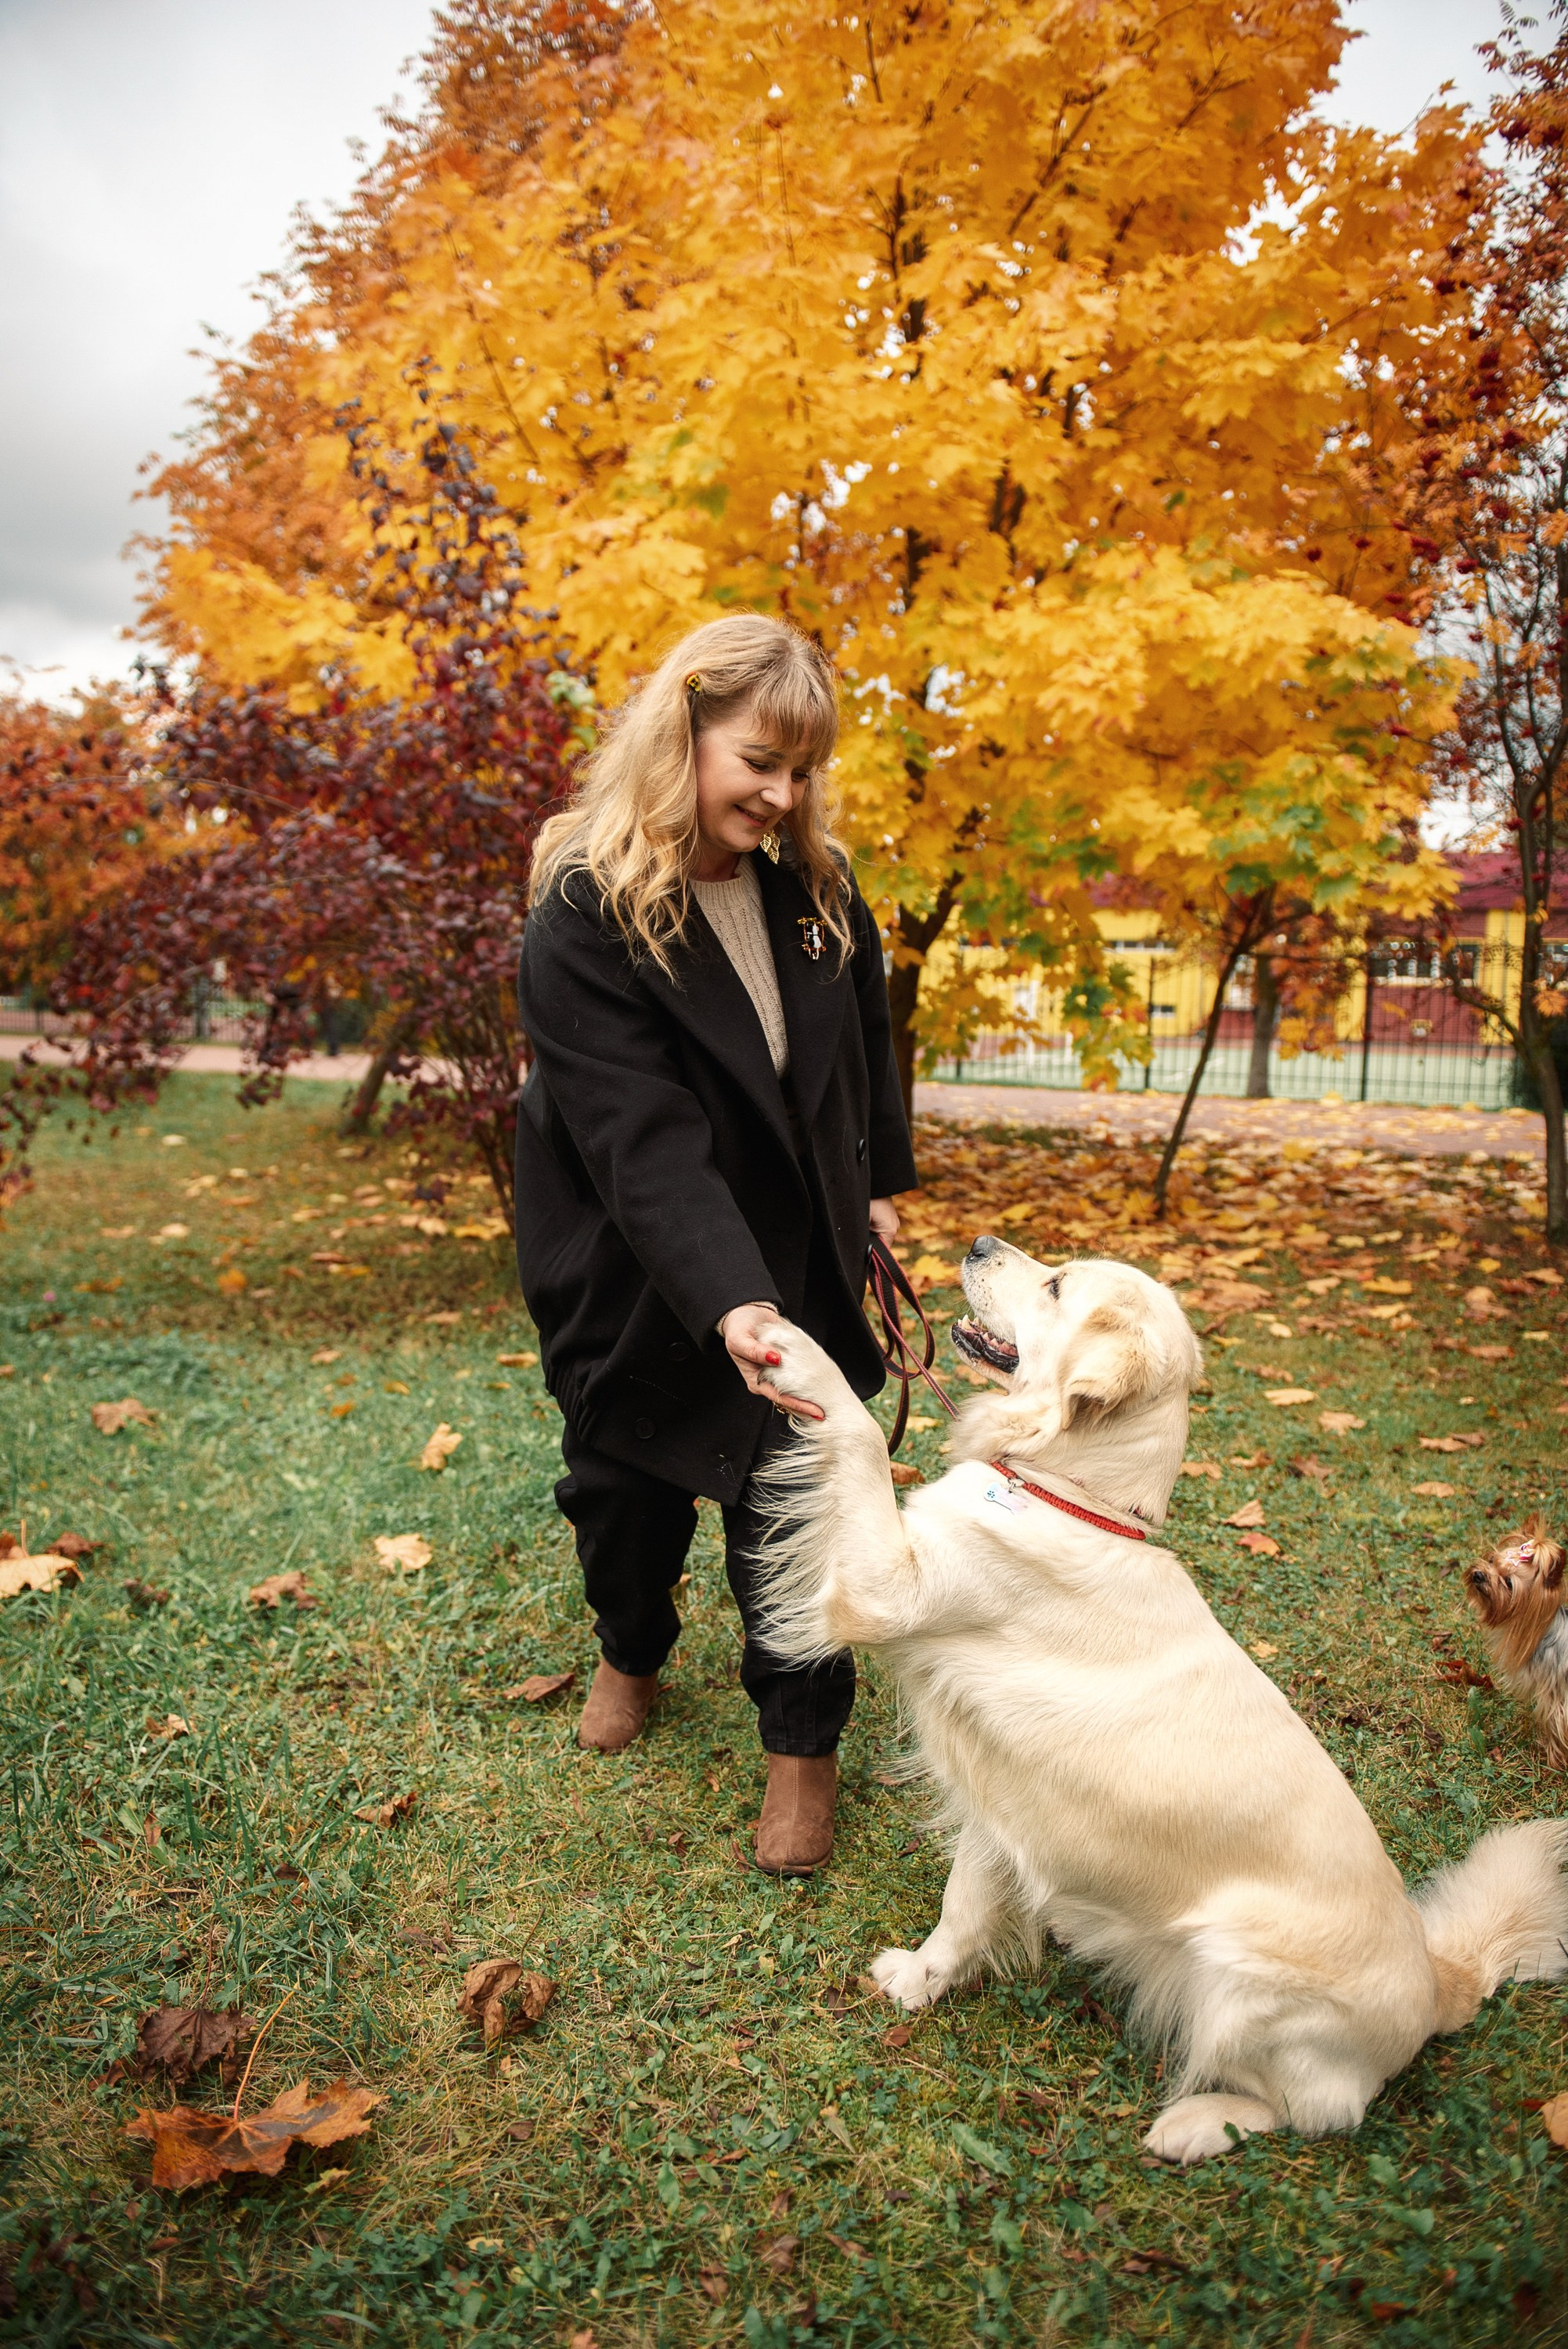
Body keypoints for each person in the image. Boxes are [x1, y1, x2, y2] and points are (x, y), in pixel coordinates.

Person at [514, 614, 917, 1874]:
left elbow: (866, 1053)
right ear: (681, 731)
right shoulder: (587, 907)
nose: (783, 794)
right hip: (637, 1270)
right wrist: (730, 1302)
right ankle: (631, 1649)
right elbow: (640, 1139)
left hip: (795, 1249)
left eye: (802, 769)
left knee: (795, 1509)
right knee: (622, 1504)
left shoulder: (819, 890)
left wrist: (879, 1187)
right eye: (759, 760)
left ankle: (803, 1756)